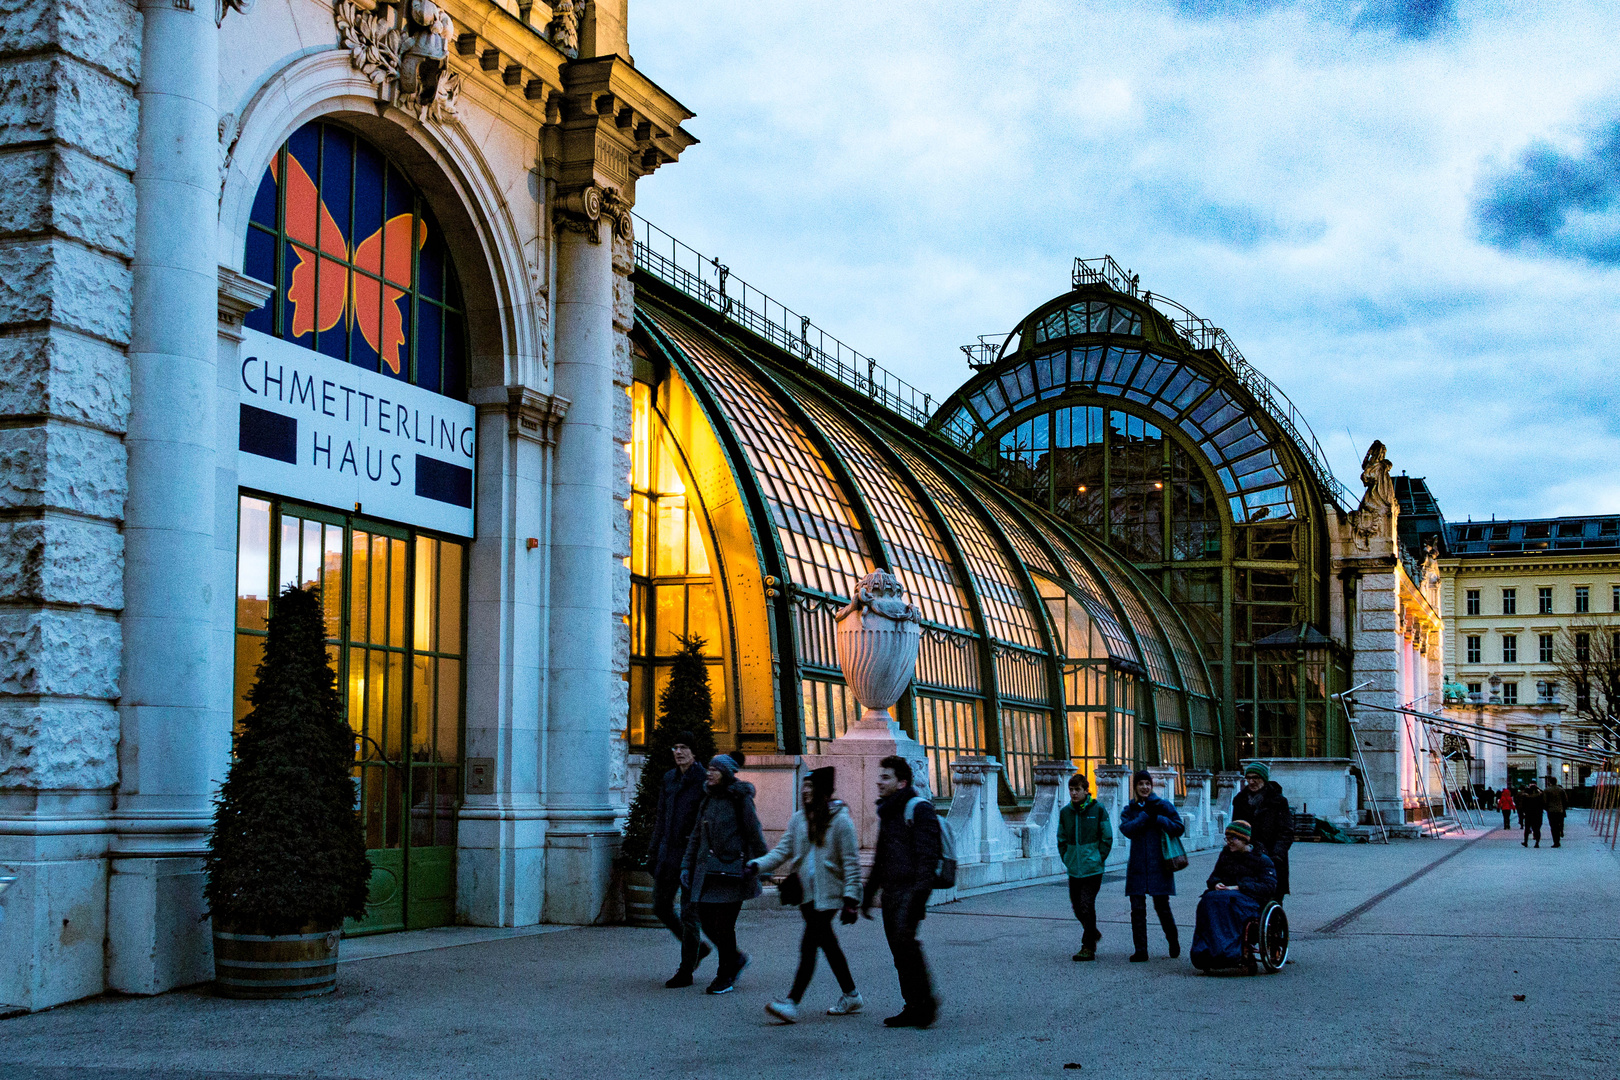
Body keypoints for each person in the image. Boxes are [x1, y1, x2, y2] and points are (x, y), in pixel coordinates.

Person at [751, 766, 864, 1023]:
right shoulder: (799, 819)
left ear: (823, 790)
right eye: (804, 786)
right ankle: (851, 995)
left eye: (810, 786)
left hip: (829, 896)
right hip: (805, 895)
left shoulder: (841, 821)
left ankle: (792, 1002)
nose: (805, 790)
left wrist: (851, 900)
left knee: (809, 945)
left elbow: (851, 863)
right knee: (829, 946)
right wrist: (757, 864)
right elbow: (782, 851)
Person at [862, 755, 941, 1029]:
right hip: (891, 892)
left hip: (910, 891)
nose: (878, 781)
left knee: (906, 946)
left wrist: (920, 896)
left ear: (901, 782)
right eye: (879, 776)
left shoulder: (919, 809)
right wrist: (868, 892)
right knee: (900, 951)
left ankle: (925, 1005)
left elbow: (928, 857)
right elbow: (881, 856)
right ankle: (913, 1005)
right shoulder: (889, 811)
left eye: (885, 777)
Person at [680, 753, 767, 994]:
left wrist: (763, 864)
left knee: (725, 925)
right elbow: (696, 837)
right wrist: (686, 866)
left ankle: (724, 974)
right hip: (708, 872)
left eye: (715, 770)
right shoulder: (707, 800)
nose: (709, 773)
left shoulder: (740, 799)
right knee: (707, 920)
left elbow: (754, 833)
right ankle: (735, 958)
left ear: (726, 773)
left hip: (733, 873)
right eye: (708, 768)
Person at [649, 732, 712, 988]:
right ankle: (699, 949)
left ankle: (686, 970)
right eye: (675, 747)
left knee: (689, 913)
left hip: (691, 856)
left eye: (684, 747)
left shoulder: (703, 780)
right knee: (661, 906)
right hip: (668, 853)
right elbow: (661, 819)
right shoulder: (669, 779)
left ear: (694, 752)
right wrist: (653, 853)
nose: (678, 752)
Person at [1189, 821, 1277, 972]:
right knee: (1206, 901)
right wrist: (1216, 884)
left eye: (1232, 839)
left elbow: (1269, 886)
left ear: (1244, 840)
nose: (1228, 842)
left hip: (1249, 899)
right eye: (1227, 839)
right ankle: (1205, 953)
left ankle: (1230, 952)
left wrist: (1240, 887)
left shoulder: (1262, 860)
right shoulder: (1226, 856)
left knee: (1231, 904)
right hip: (1224, 896)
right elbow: (1213, 877)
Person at [1118, 769, 1185, 962]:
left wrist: (1159, 819)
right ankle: (1141, 950)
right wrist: (1145, 817)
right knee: (1137, 909)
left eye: (1147, 783)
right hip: (1137, 867)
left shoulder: (1163, 805)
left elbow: (1179, 827)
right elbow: (1126, 829)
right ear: (1135, 787)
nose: (1144, 787)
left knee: (1162, 907)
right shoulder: (1130, 809)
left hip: (1160, 864)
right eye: (1141, 784)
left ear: (1151, 785)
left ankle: (1173, 941)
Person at [1057, 772, 1112, 961]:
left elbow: (1107, 837)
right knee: (1077, 908)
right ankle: (1092, 932)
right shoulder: (1065, 813)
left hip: (1092, 869)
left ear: (1085, 790)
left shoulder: (1098, 810)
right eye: (1071, 790)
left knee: (1087, 905)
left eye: (1077, 790)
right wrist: (1067, 858)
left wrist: (1098, 858)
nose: (1073, 793)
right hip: (1074, 868)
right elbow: (1061, 839)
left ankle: (1088, 947)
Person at [1230, 762, 1293, 900]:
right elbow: (1235, 828)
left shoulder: (1278, 801)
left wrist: (1276, 854)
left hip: (1272, 857)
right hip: (1247, 855)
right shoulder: (1240, 800)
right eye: (1248, 778)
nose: (1251, 782)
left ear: (1264, 779)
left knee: (1272, 895)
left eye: (1255, 778)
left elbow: (1286, 832)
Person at [1518, 782, 1545, 848]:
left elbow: (1523, 806)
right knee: (1537, 829)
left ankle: (1526, 842)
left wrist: (1524, 812)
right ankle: (1537, 843)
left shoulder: (1526, 797)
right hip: (1538, 814)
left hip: (1529, 814)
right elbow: (1543, 802)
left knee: (1527, 828)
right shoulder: (1539, 796)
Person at [1543, 779, 1567, 848]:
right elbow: (1565, 799)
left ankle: (1556, 841)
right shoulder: (1561, 790)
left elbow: (1544, 801)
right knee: (1559, 824)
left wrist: (1546, 808)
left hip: (1551, 810)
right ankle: (1558, 837)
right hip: (1559, 809)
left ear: (1550, 782)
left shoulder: (1547, 790)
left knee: (1553, 826)